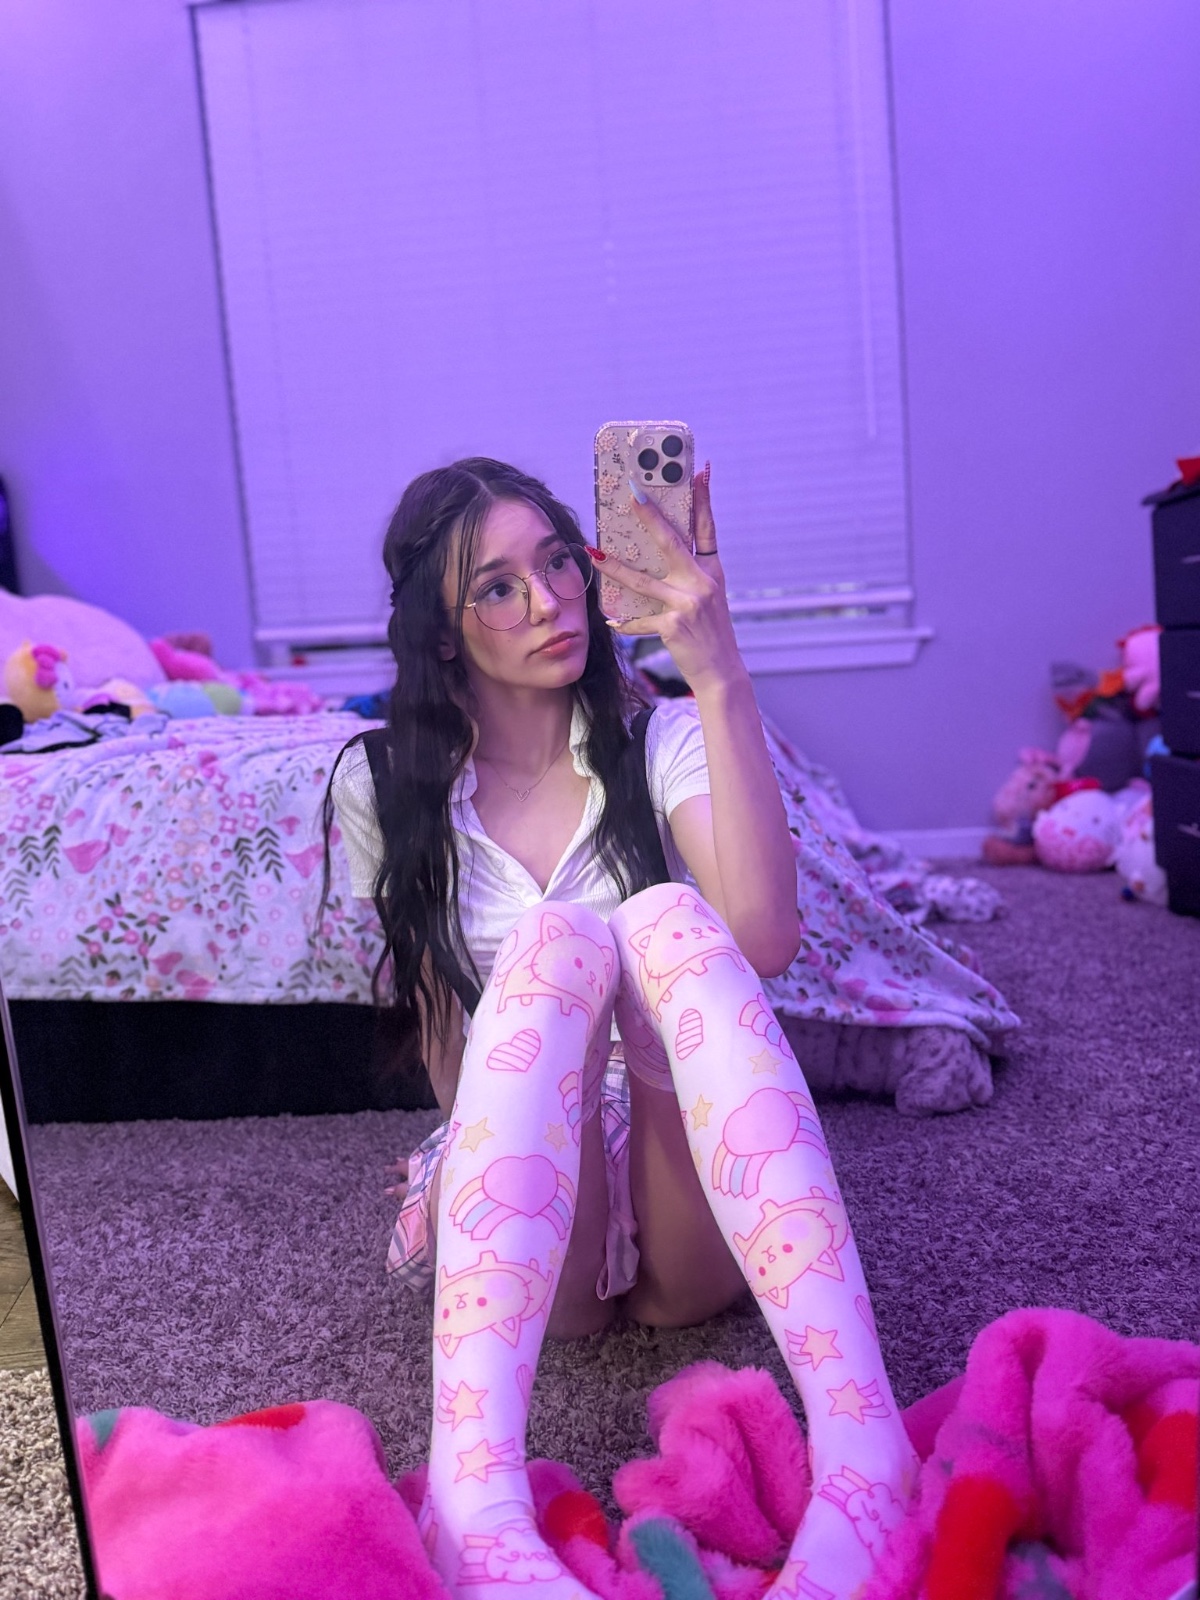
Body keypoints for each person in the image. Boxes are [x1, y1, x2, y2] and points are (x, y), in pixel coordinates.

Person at [330, 457, 918, 1600]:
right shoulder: (386, 782)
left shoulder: (660, 739)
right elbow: (451, 1042)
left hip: (683, 1144)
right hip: (525, 1166)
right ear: (443, 633)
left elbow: (764, 936)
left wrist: (718, 667)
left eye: (560, 561)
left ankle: (867, 1450)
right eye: (498, 587)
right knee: (556, 945)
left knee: (664, 919)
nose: (552, 600)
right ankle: (473, 1499)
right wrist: (481, 1134)